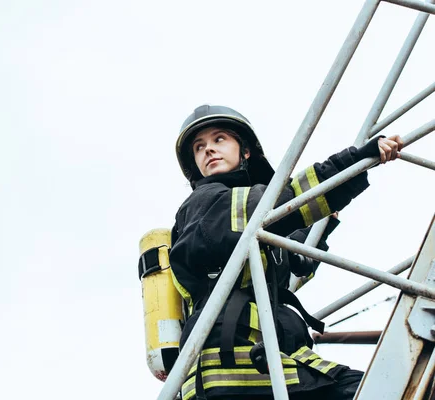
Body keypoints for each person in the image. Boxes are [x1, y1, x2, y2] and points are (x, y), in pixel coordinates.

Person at [169, 104, 403, 400]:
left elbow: (293, 265)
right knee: (382, 388)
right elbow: (283, 202)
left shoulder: (249, 229)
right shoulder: (206, 204)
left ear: (245, 151)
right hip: (237, 367)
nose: (208, 150)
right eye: (199, 147)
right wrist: (354, 161)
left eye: (219, 139)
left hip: (262, 361)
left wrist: (325, 223)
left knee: (379, 387)